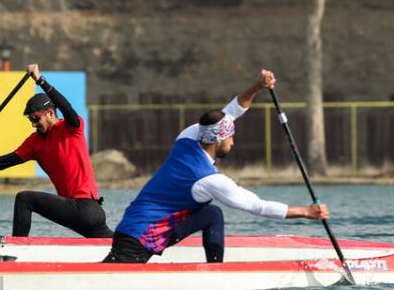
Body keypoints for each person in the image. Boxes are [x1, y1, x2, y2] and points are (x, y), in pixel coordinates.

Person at [103, 69, 330, 263]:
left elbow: (233, 109)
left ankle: (214, 269)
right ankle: (216, 273)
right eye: (230, 137)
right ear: (218, 140)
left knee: (212, 214)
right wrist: (305, 212)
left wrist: (258, 86)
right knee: (212, 214)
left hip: (132, 227)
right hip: (139, 240)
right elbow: (256, 206)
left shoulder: (189, 136)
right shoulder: (208, 179)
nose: (233, 141)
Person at [0, 63, 113, 238]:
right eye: (30, 119)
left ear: (51, 113)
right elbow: (4, 162)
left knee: (25, 199)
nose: (33, 124)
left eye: (36, 118)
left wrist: (40, 80)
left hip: (86, 208)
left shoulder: (71, 128)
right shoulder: (34, 142)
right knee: (119, 249)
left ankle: (17, 249)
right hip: (80, 212)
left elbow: (66, 107)